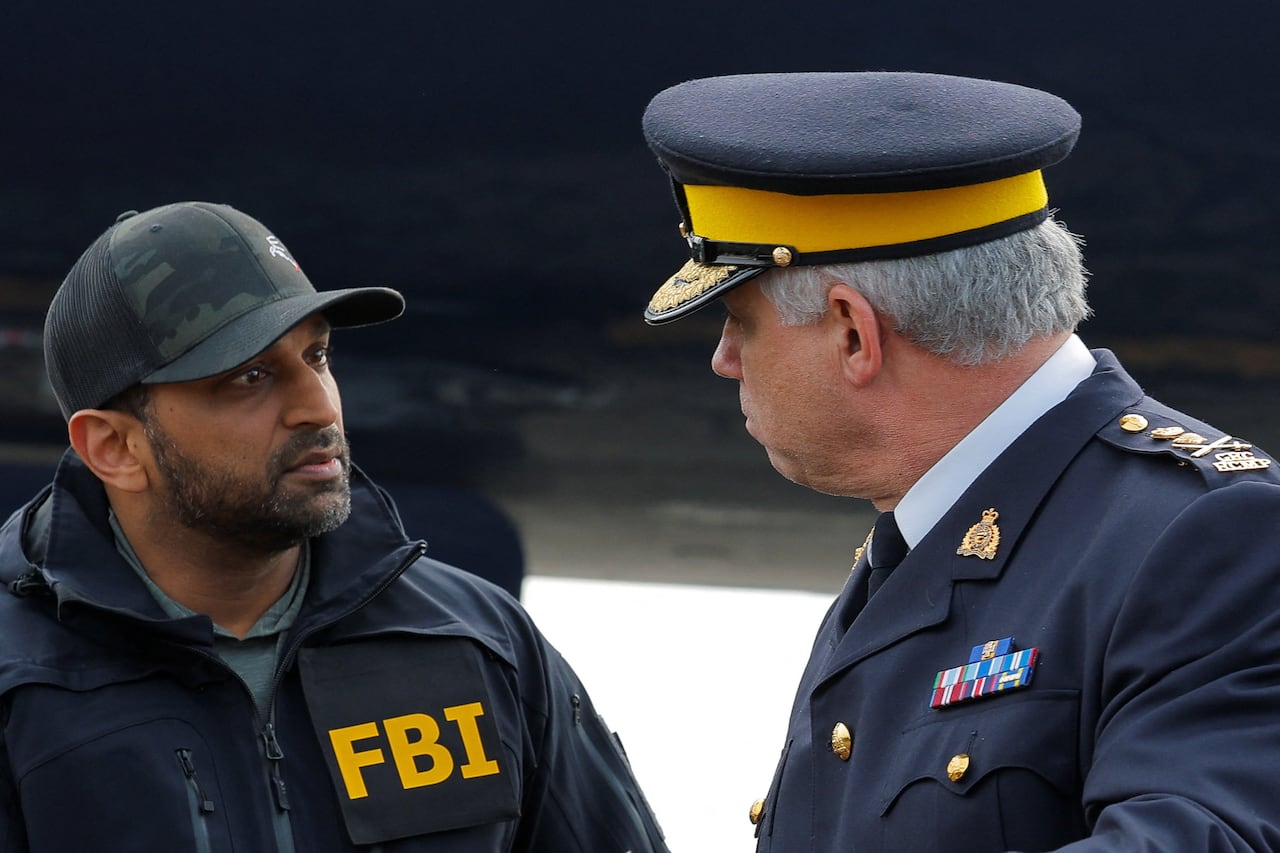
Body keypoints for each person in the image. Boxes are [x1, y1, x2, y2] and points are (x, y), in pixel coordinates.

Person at [640, 72, 1280, 851]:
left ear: (852, 332)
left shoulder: (1217, 535)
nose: (725, 359)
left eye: (741, 320)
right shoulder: (918, 543)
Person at [0, 201, 668, 852]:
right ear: (114, 449)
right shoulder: (18, 681)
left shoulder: (480, 645)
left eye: (317, 356)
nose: (318, 406)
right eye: (251, 376)